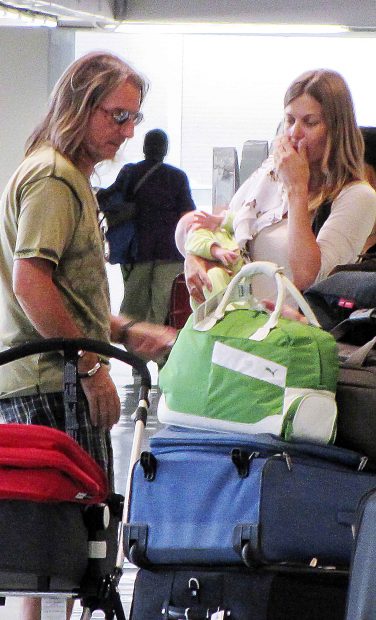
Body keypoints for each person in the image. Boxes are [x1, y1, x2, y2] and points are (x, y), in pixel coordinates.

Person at [0, 51, 176, 620]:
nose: (126, 133)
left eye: (133, 119)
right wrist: (91, 365)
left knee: (41, 550)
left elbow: (65, 293)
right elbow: (32, 283)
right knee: (80, 542)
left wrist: (124, 330)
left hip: (41, 375)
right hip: (50, 381)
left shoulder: (60, 173)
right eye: (116, 116)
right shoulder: (53, 178)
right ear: (79, 105)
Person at [176, 69, 376, 305]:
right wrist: (196, 256)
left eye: (310, 122)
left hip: (289, 333)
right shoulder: (270, 173)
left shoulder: (357, 196)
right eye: (290, 120)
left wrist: (297, 189)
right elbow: (216, 224)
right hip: (233, 325)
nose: (295, 133)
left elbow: (309, 277)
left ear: (336, 130)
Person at [97, 128, 196, 326]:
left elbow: (106, 200)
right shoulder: (177, 177)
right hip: (170, 251)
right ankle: (159, 349)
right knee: (164, 305)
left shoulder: (130, 173)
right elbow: (188, 216)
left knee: (134, 304)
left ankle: (135, 350)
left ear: (144, 147)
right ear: (165, 149)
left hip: (136, 250)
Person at [183, 209, 244, 309]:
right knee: (212, 276)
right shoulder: (199, 236)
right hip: (222, 275)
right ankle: (224, 311)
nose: (201, 222)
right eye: (192, 225)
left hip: (240, 273)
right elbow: (194, 241)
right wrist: (215, 250)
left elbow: (241, 219)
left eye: (202, 217)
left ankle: (235, 309)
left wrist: (220, 220)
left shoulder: (224, 230)